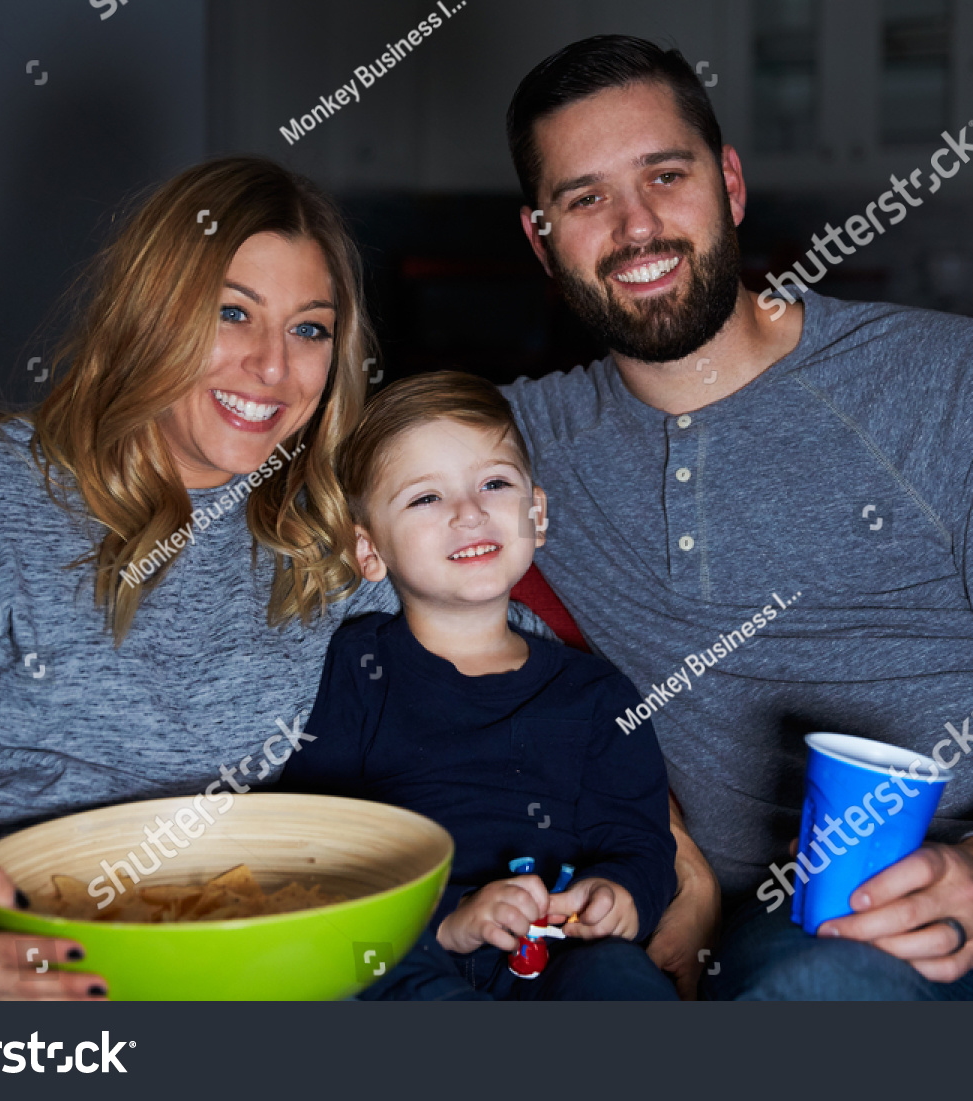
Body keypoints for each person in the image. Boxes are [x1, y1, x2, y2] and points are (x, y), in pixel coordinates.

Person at [0, 35, 973, 1001]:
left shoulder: (945, 376)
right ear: (541, 236)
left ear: (729, 180)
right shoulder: (522, 441)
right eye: (585, 197)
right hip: (826, 941)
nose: (635, 225)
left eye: (662, 177)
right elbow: (246, 455)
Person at [0, 157, 554, 1001]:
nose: (273, 367)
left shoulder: (336, 528)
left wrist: (652, 835)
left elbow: (527, 679)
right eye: (233, 314)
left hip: (243, 957)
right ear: (152, 313)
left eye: (309, 329)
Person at [282, 370, 677, 1000]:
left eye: (494, 483)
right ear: (369, 551)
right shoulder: (359, 666)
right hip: (411, 950)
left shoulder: (598, 694)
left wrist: (622, 893)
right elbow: (317, 847)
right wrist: (447, 923)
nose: (469, 512)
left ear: (536, 514)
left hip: (559, 957)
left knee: (622, 979)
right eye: (426, 498)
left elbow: (638, 840)